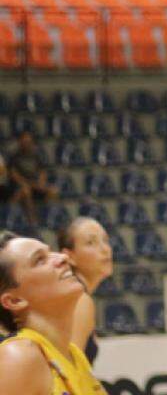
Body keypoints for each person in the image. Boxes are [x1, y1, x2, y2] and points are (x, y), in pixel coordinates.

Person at [0, 231, 106, 395]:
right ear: (15, 301)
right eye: (40, 260)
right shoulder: (20, 356)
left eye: (50, 252)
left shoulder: (75, 356)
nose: (62, 258)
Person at [58, 218, 114, 365]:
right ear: (70, 256)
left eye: (105, 241)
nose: (105, 249)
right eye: (91, 243)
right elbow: (68, 370)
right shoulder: (79, 299)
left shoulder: (73, 293)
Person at [8, 132, 59, 228]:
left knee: (53, 191)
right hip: (19, 186)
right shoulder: (14, 157)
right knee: (26, 191)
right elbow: (14, 175)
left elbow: (42, 172)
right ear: (20, 142)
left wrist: (41, 183)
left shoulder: (36, 156)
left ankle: (49, 217)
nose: (26, 143)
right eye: (24, 141)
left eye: (28, 141)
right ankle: (32, 220)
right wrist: (29, 184)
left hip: (35, 185)